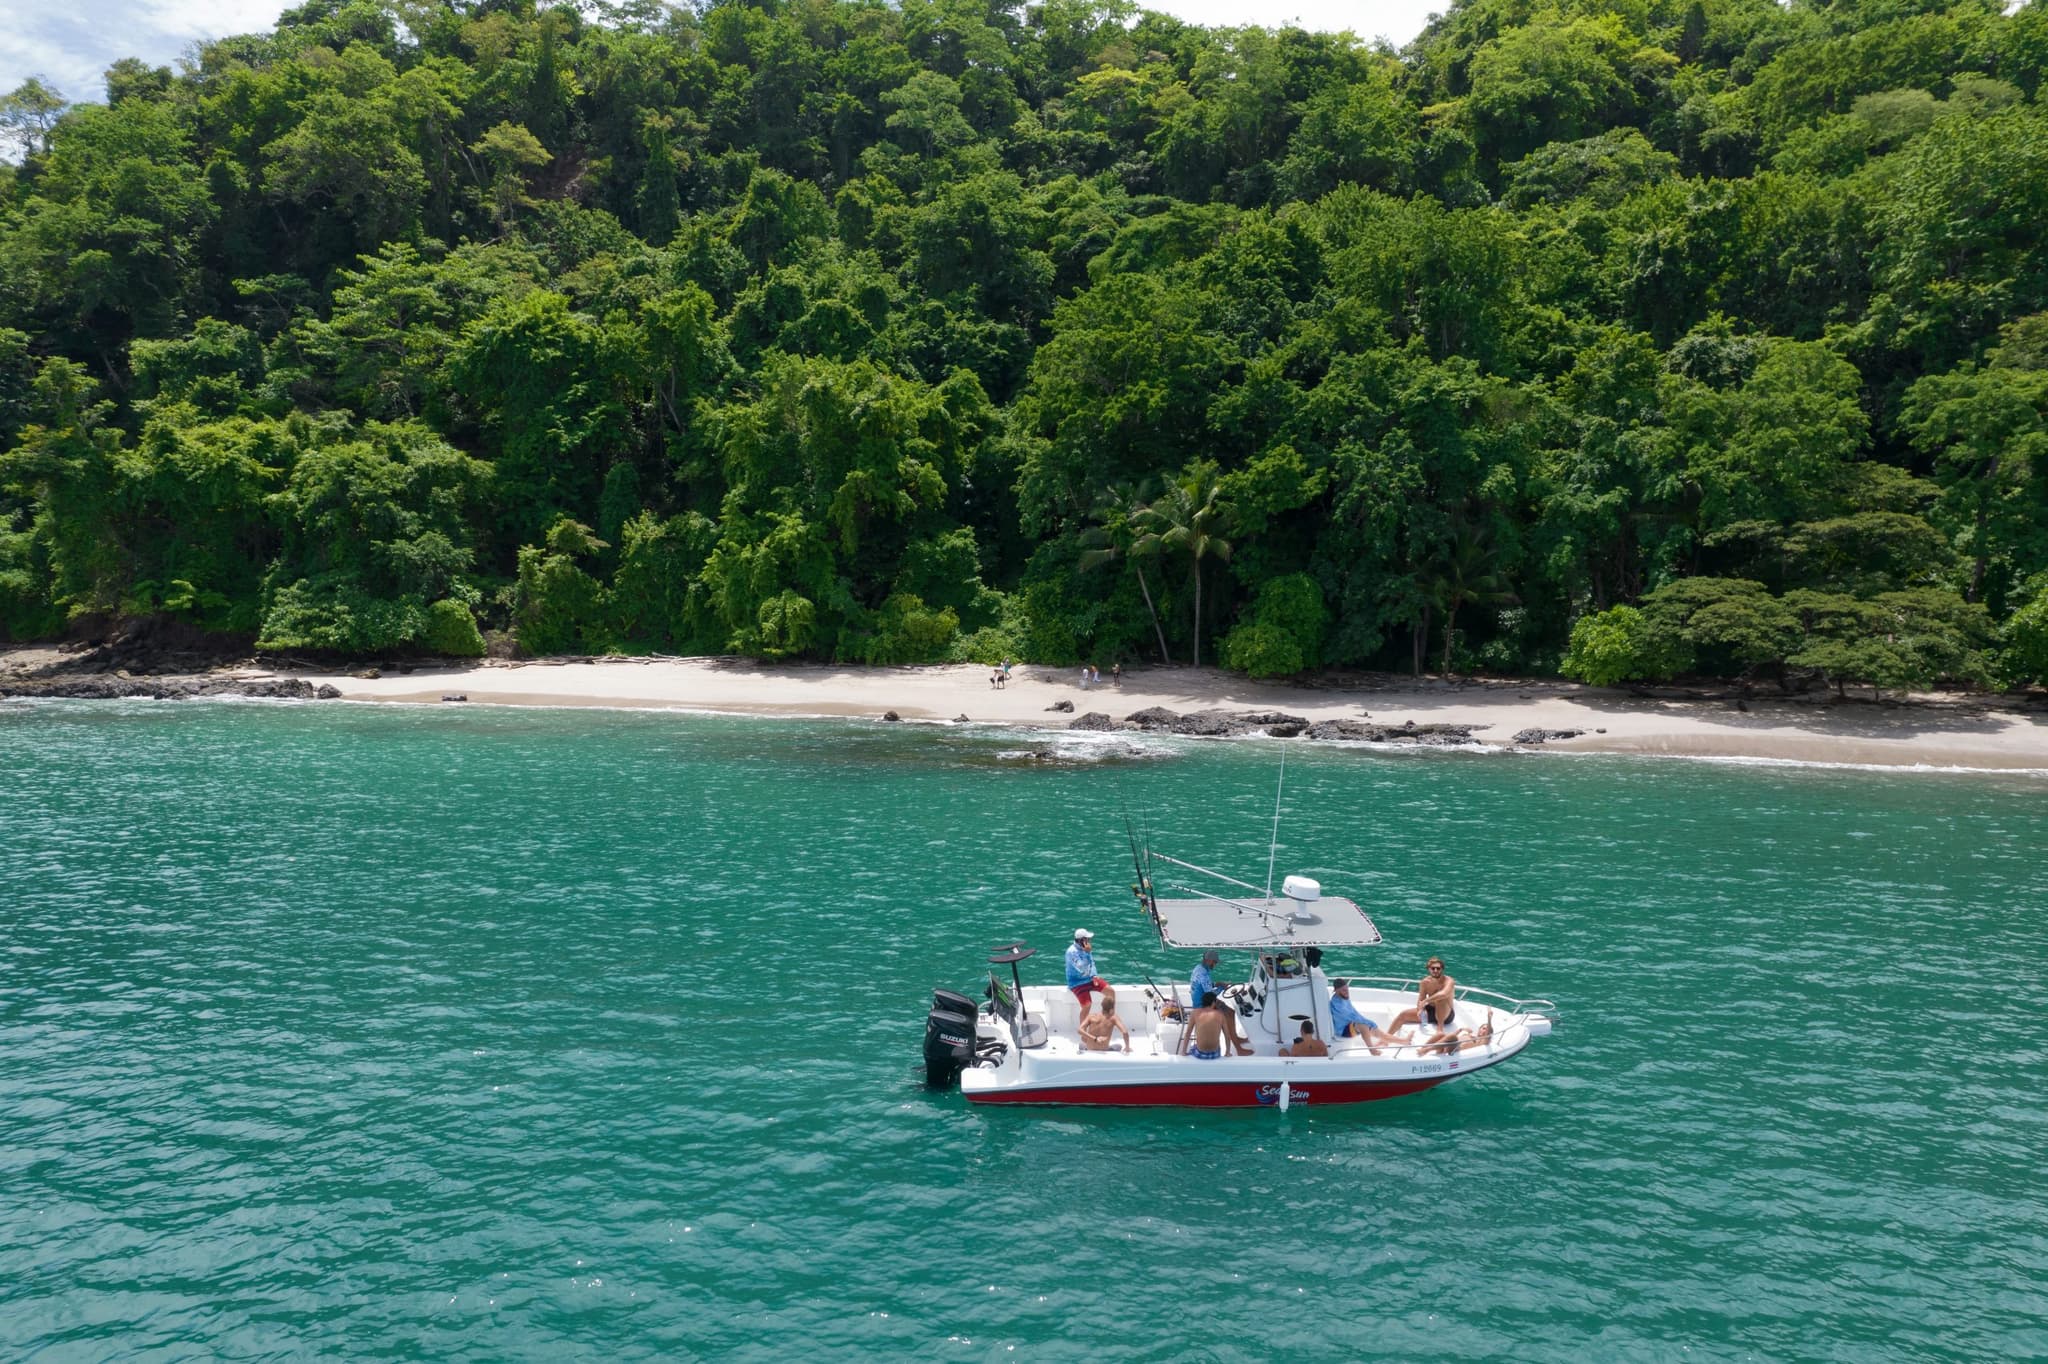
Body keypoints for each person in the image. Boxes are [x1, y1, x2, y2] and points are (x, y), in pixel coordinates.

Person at [1327, 978, 1399, 1056]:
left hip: (1349, 1025)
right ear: (1337, 990)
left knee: (1378, 1032)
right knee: (1363, 1026)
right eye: (1344, 990)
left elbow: (1354, 1013)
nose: (1347, 992)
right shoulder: (1337, 1004)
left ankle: (1404, 1041)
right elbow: (1350, 1017)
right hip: (1343, 1030)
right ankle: (1372, 1050)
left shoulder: (1344, 998)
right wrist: (1367, 1022)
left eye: (1347, 989)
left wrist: (1368, 1022)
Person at [1388, 957, 1457, 1034]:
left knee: (1440, 999)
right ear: (1428, 969)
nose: (1435, 971)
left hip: (1446, 1015)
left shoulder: (1449, 981)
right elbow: (1421, 999)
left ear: (1442, 969)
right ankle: (1385, 1040)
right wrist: (1420, 1009)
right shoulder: (1425, 982)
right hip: (1431, 1012)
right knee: (1403, 1015)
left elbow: (1443, 994)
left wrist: (1426, 1001)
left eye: (1438, 968)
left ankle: (1440, 1029)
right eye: (1433, 968)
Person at [1182, 990, 1252, 1059]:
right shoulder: (1220, 1014)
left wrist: (1184, 1052)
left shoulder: (1195, 1013)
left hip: (1200, 1054)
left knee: (1194, 1047)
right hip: (1215, 1054)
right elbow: (1227, 1036)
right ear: (1213, 1003)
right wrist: (1227, 1053)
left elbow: (1188, 1033)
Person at [1065, 928, 1114, 1019]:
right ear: (1082, 940)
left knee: (1110, 992)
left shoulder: (1086, 949)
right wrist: (1087, 953)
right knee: (1087, 1005)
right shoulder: (1071, 952)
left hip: (1090, 978)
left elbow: (1092, 963)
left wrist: (1094, 975)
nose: (1089, 941)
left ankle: (1109, 1020)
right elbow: (1082, 968)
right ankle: (1083, 1032)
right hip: (1077, 983)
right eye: (1087, 939)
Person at [1414, 1021, 1493, 1056]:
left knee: (1453, 1036)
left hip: (1454, 1051)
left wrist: (1489, 1017)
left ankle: (1427, 1049)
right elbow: (1448, 1038)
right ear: (1479, 1029)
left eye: (1486, 1029)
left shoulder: (1482, 1041)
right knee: (1441, 1034)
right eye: (1483, 1028)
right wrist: (1460, 1030)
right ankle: (1423, 1048)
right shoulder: (1469, 1034)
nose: (1484, 1030)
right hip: (1445, 1047)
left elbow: (1452, 1037)